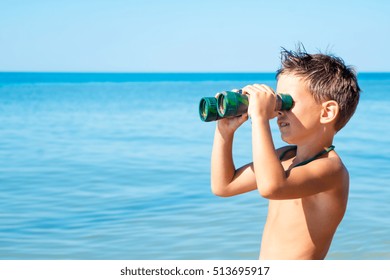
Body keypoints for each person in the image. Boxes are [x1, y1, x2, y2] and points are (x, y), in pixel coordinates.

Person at [210, 47, 360, 259]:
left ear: (327, 112)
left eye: (287, 102)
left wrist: (260, 119)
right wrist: (224, 132)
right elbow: (223, 186)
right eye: (278, 101)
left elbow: (272, 187)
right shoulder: (285, 157)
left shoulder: (331, 170)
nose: (279, 110)